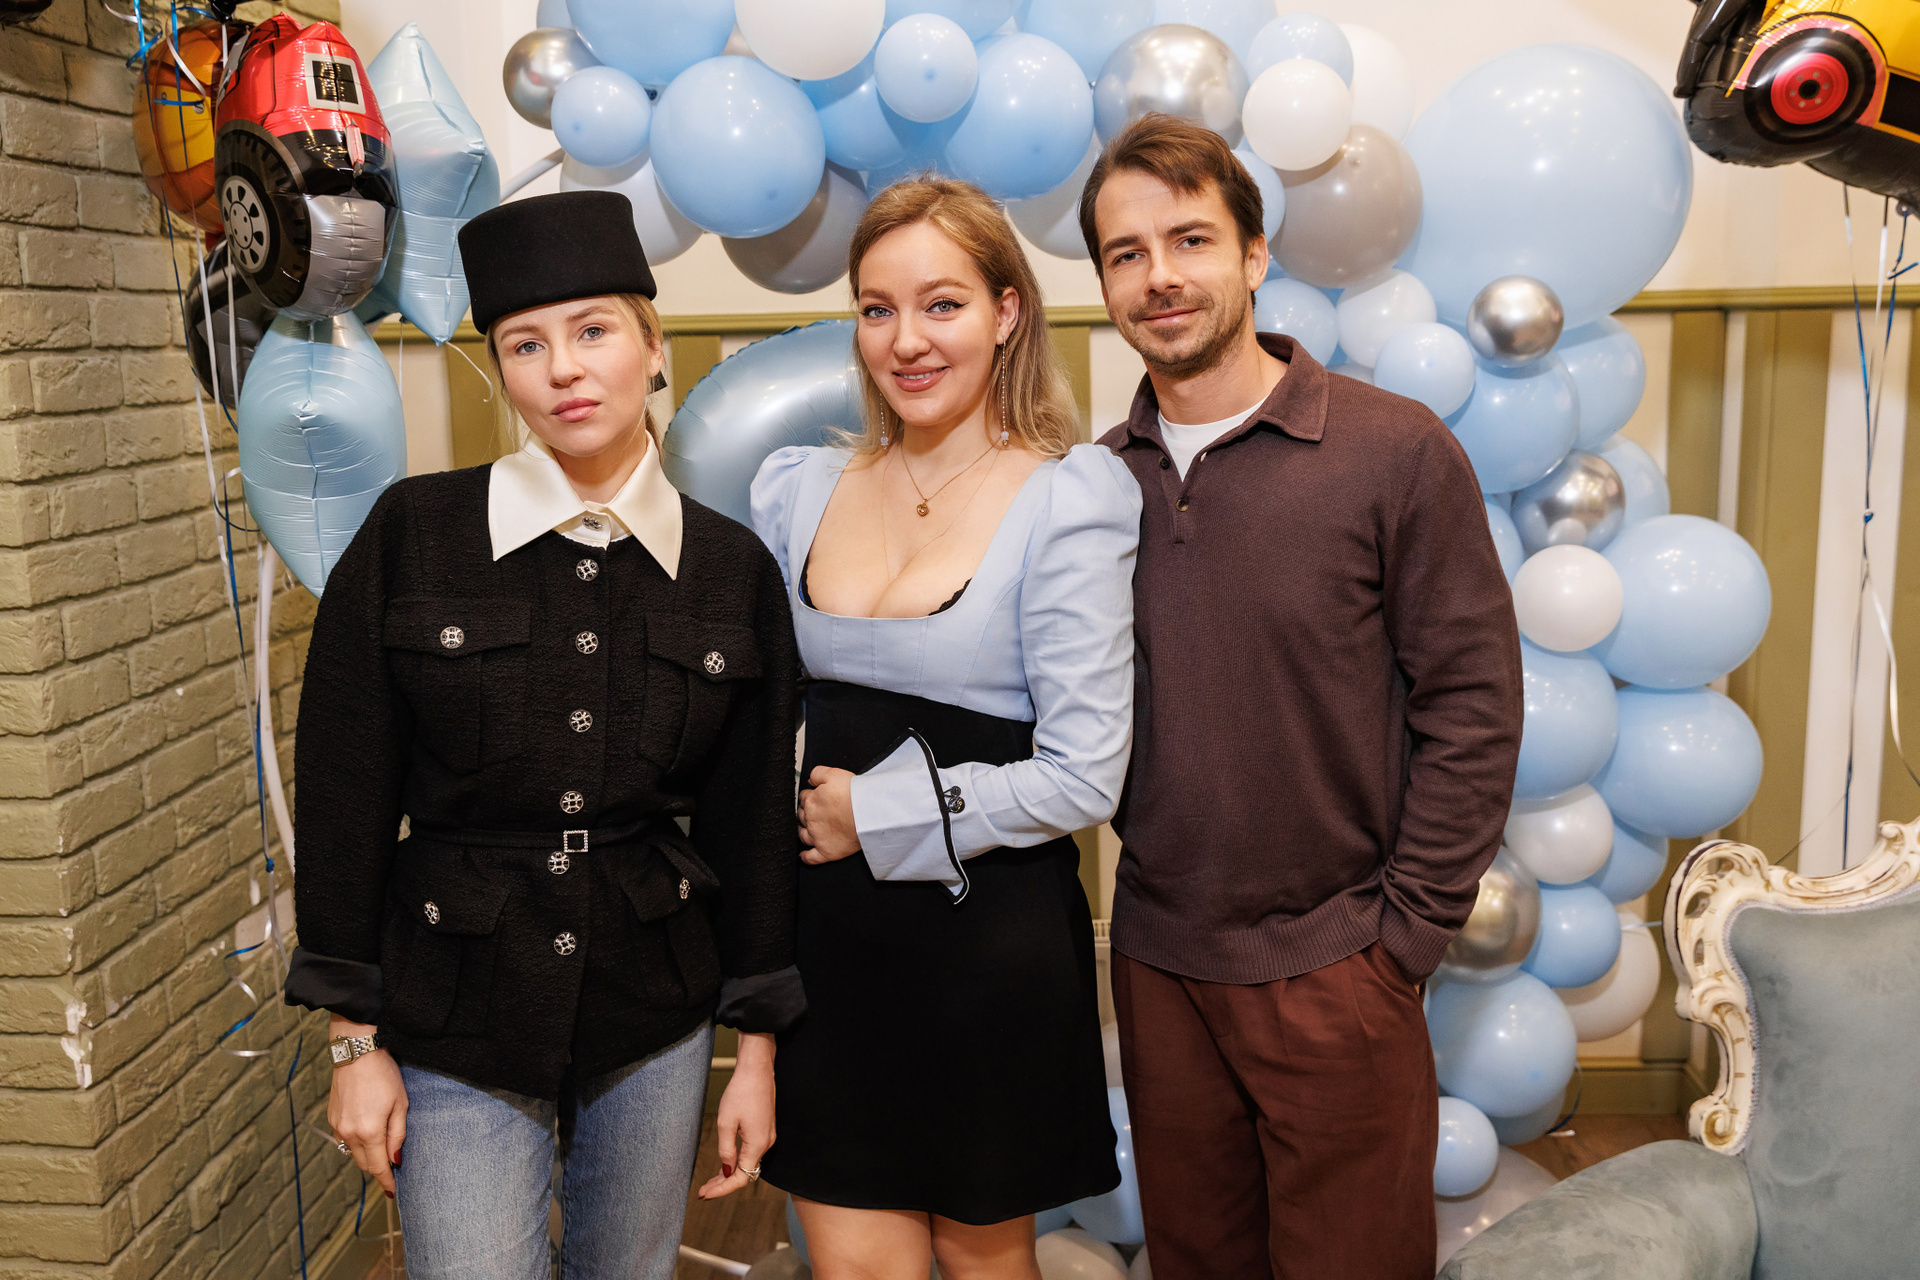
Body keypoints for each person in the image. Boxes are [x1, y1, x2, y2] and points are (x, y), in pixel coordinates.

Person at [285, 190, 805, 1280]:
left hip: (653, 1006)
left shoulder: (729, 569)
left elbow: (753, 825)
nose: (564, 369)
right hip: (453, 999)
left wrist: (755, 1050)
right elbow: (342, 791)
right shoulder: (413, 535)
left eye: (594, 330)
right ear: (503, 370)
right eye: (526, 344)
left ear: (653, 347)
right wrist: (351, 1038)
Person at [1081, 115, 1525, 1279]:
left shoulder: (1392, 451)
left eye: (1190, 239)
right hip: (1162, 962)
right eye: (1127, 253)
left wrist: (1400, 941)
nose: (1160, 275)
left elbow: (1473, 705)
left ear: (1254, 253)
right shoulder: (1094, 485)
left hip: (1340, 961)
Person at [749, 176, 1141, 1280]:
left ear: (1007, 311)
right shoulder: (794, 488)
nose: (907, 341)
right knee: (853, 1266)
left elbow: (1085, 775)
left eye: (942, 305)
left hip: (987, 949)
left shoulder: (1070, 495)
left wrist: (876, 813)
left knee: (985, 1266)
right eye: (877, 310)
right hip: (827, 948)